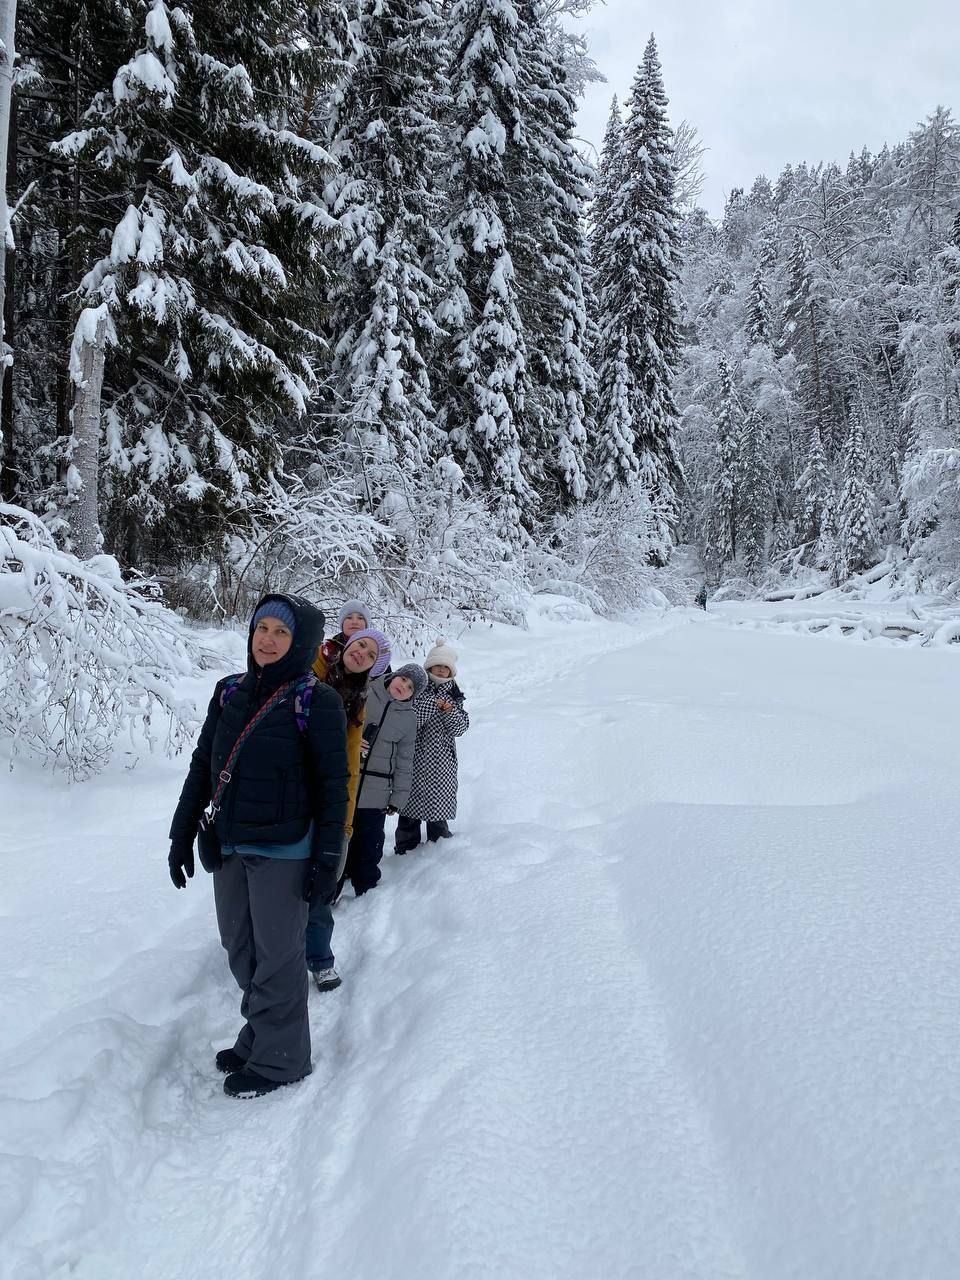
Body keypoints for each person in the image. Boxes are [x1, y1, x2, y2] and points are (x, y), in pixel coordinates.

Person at [167, 595, 349, 1100]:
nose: (267, 639)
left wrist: (327, 861)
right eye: (261, 627)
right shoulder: (228, 693)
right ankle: (261, 1035)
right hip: (228, 842)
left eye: (281, 633)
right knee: (241, 949)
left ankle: (282, 1058)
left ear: (302, 643)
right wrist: (181, 832)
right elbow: (204, 764)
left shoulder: (317, 701)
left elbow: (336, 787)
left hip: (285, 850)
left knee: (278, 957)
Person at [306, 626, 391, 990]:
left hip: (325, 802)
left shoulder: (357, 703)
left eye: (372, 655)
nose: (363, 654)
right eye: (361, 646)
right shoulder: (311, 671)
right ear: (347, 644)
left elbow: (351, 767)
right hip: (285, 793)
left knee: (320, 888)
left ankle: (320, 959)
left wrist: (346, 822)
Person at [342, 663, 427, 896]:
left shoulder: (409, 718)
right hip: (347, 782)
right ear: (394, 676)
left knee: (370, 843)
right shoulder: (366, 692)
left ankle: (366, 891)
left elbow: (405, 759)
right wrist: (351, 740)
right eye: (403, 679)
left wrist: (398, 796)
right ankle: (333, 886)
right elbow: (339, 724)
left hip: (378, 791)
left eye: (410, 687)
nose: (404, 687)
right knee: (339, 840)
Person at [395, 639, 470, 855]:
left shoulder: (455, 694)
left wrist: (449, 711)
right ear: (429, 666)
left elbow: (460, 727)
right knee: (410, 805)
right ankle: (405, 848)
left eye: (446, 667)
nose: (441, 670)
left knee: (438, 805)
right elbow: (410, 720)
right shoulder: (416, 688)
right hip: (415, 758)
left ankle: (439, 847)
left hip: (442, 761)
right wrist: (432, 704)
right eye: (438, 665)